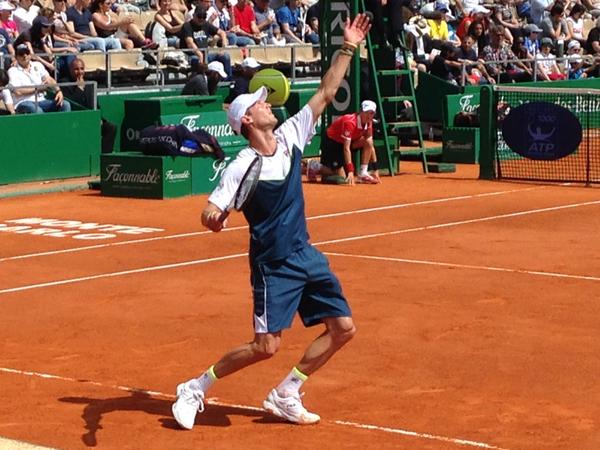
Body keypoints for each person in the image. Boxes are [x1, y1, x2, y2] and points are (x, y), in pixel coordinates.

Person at [171, 13, 371, 430]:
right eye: (260, 103)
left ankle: (286, 392)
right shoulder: (242, 165)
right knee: (266, 347)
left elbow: (327, 91)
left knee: (343, 328)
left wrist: (348, 47)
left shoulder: (292, 135)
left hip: (304, 253)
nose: (268, 104)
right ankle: (195, 387)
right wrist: (213, 219)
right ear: (247, 120)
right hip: (273, 264)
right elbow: (211, 210)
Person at [307, 99, 380, 185]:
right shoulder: (350, 122)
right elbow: (346, 148)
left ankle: (363, 173)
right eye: (366, 112)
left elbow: (370, 145)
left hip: (345, 143)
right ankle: (314, 166)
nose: (368, 116)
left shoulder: (369, 123)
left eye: (371, 113)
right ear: (361, 112)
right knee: (341, 178)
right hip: (331, 143)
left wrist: (376, 169)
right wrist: (350, 171)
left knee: (368, 141)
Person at [62, 57, 117, 152]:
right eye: (76, 69)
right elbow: (72, 104)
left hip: (91, 118)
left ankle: (104, 154)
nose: (79, 72)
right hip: (76, 120)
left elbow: (96, 105)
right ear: (70, 70)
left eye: (82, 69)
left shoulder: (90, 85)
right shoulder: (64, 84)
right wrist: (79, 89)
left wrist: (99, 118)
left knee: (111, 127)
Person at [8, 43, 71, 113]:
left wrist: (58, 91)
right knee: (37, 110)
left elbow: (49, 79)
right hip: (23, 102)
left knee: (65, 104)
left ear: (30, 54)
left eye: (27, 53)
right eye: (21, 54)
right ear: (16, 57)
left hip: (41, 100)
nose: (25, 56)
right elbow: (18, 92)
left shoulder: (37, 65)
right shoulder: (12, 71)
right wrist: (37, 89)